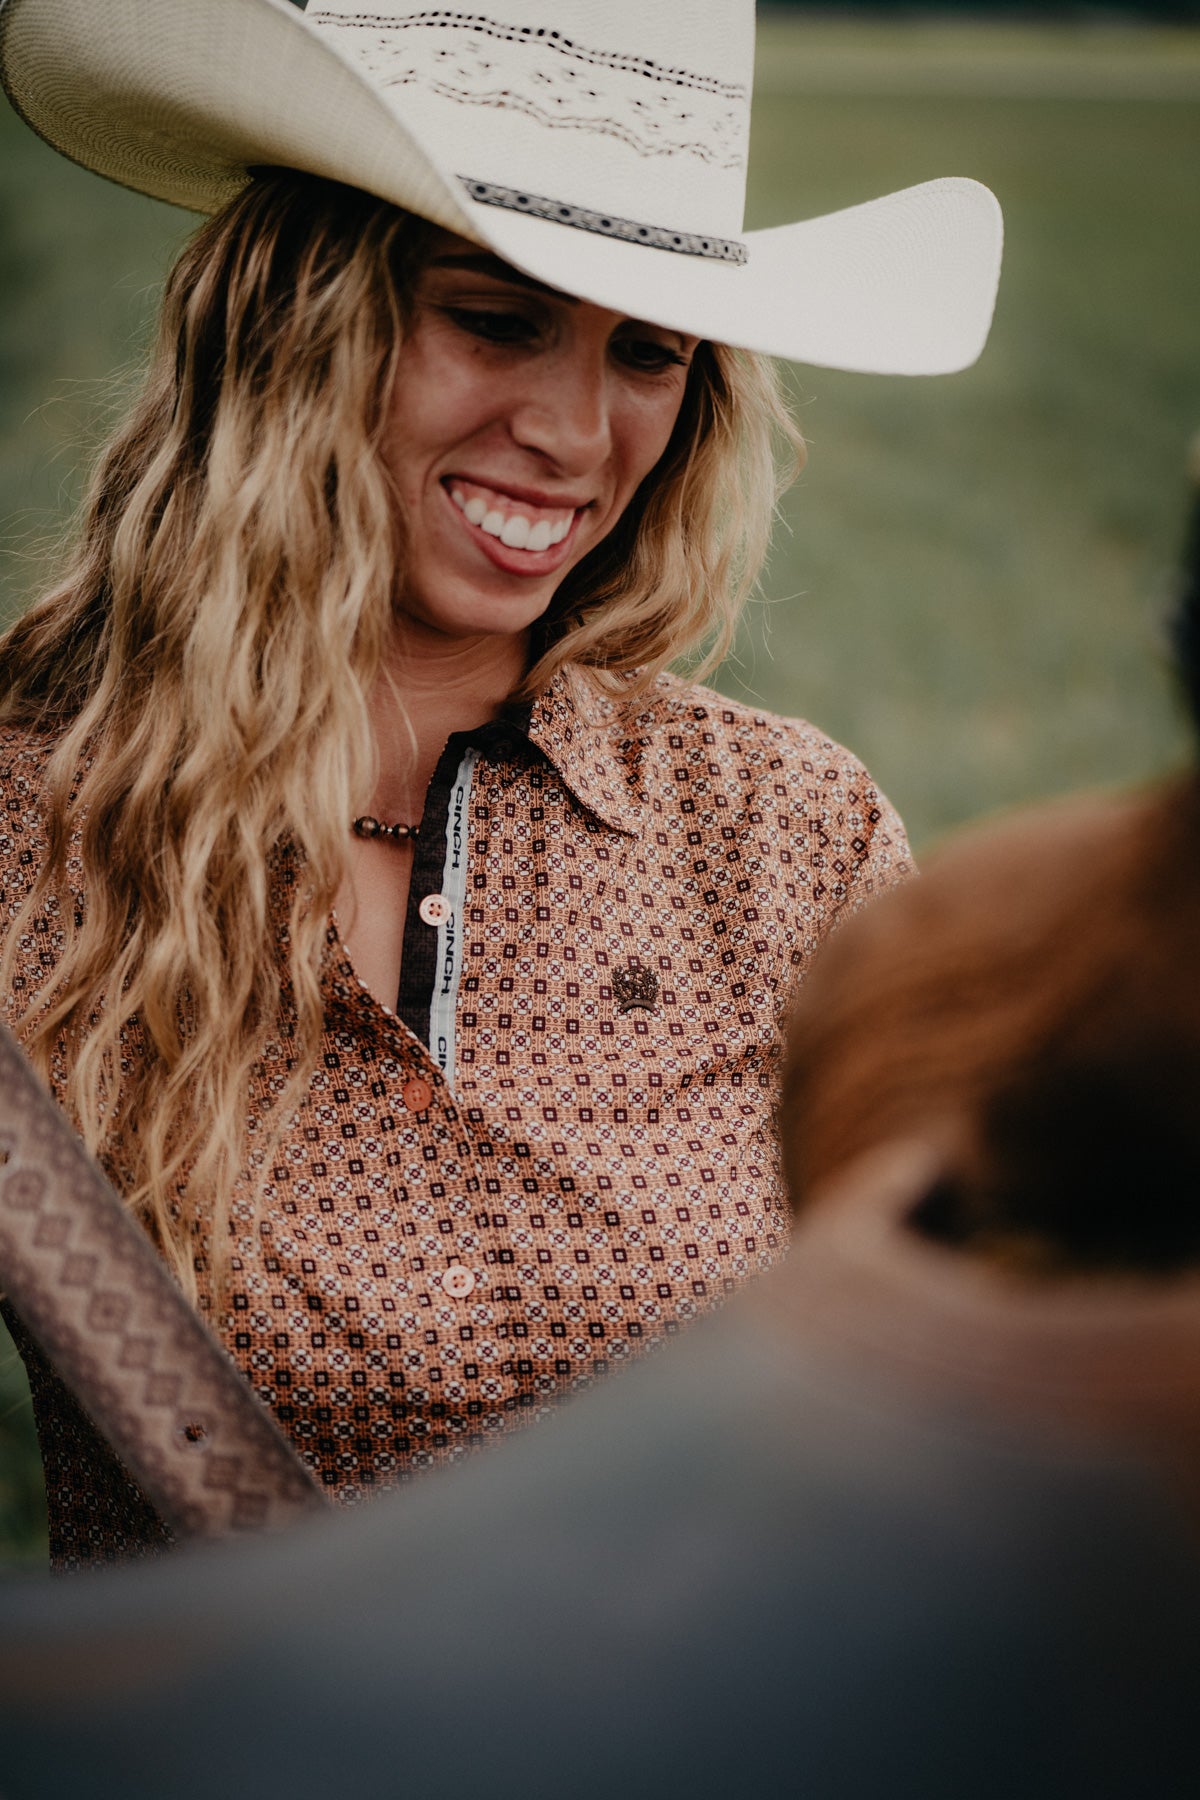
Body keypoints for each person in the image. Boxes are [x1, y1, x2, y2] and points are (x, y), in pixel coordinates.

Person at [0, 0, 1001, 1568]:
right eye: (497, 318)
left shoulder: (785, 831)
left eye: (649, 352)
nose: (572, 434)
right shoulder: (32, 832)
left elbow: (984, 1384)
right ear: (293, 317)